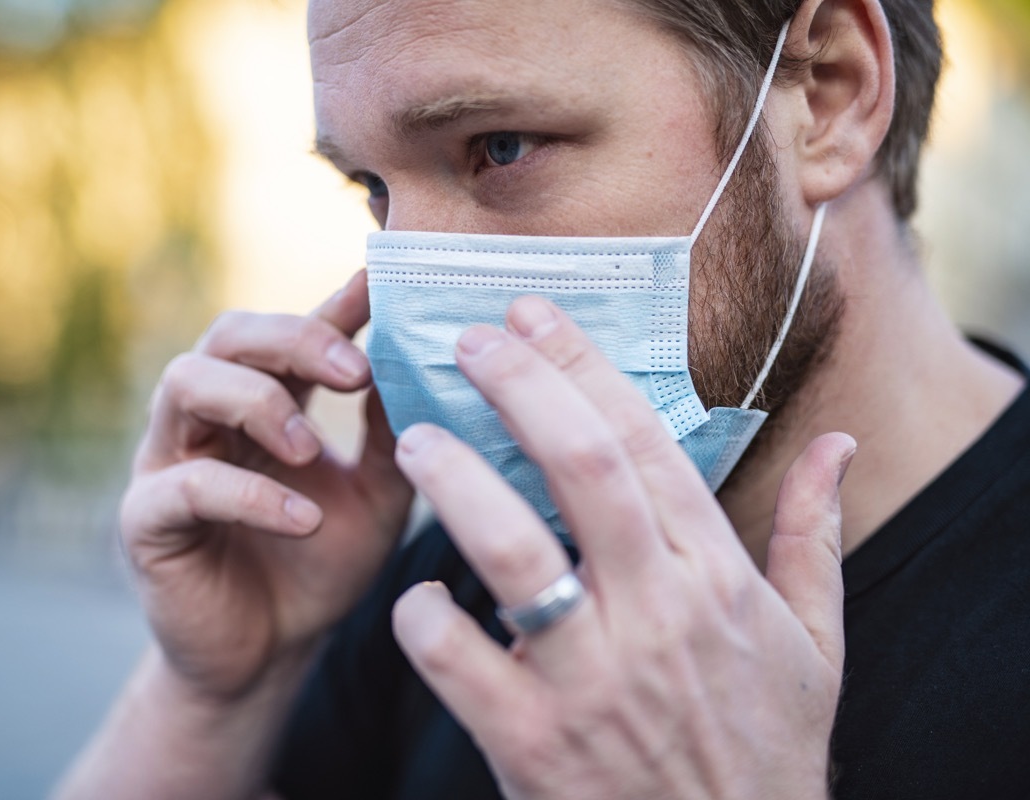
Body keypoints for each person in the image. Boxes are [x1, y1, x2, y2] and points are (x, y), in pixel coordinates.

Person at [55, 0, 1030, 798]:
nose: (411, 296)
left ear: (827, 92)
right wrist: (220, 693)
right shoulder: (472, 576)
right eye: (373, 188)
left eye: (501, 146)